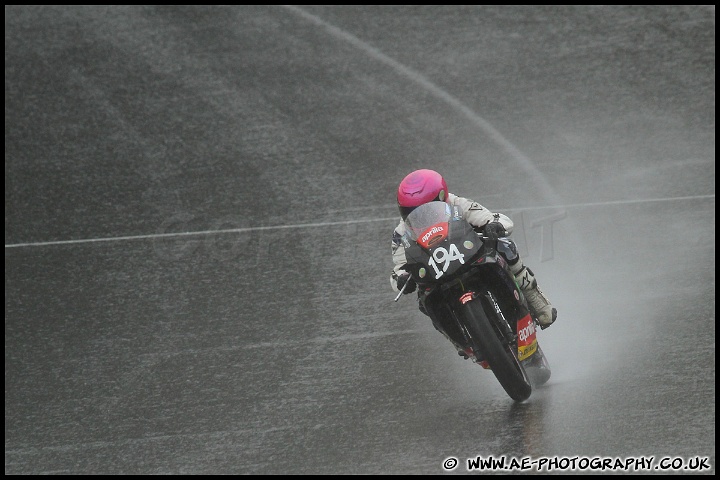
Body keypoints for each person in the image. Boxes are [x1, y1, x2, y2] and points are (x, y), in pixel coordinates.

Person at [390, 169, 557, 353]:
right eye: (411, 212)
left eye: (426, 209)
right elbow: (398, 267)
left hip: (472, 256)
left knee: (505, 246)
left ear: (441, 197)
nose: (420, 216)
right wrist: (402, 277)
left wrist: (495, 225)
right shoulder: (401, 232)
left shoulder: (458, 203)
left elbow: (495, 218)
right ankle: (458, 340)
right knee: (424, 301)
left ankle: (535, 300)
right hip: (436, 274)